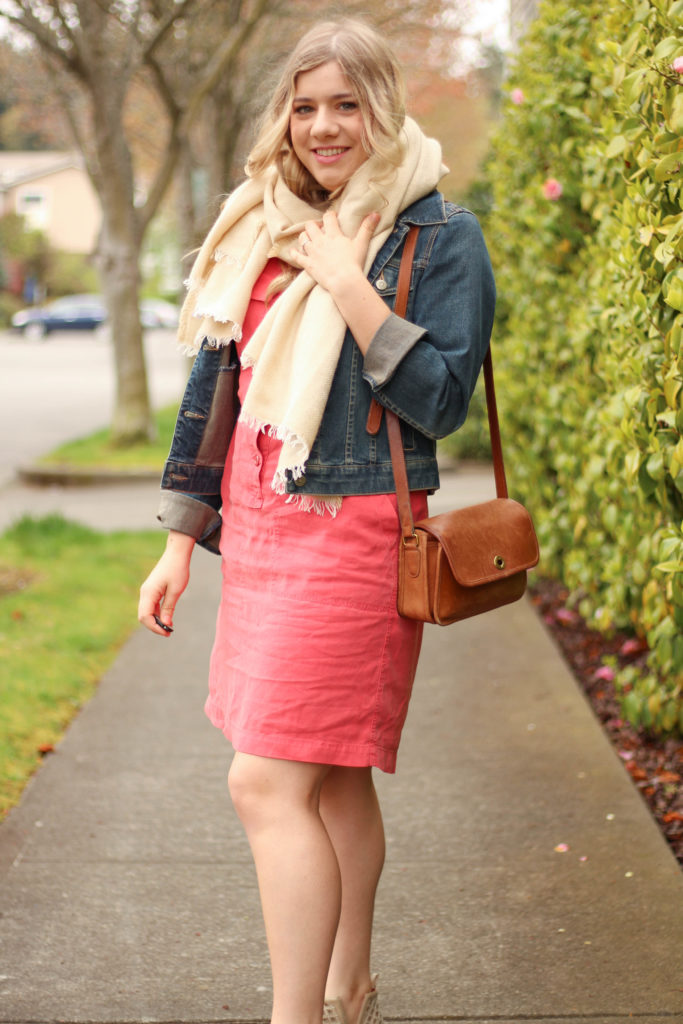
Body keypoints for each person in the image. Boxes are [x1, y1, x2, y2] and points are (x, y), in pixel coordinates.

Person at [139, 18, 495, 1024]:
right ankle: (350, 983)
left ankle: (293, 1015)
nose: (324, 127)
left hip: (353, 528)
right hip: (259, 528)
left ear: (384, 109)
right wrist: (177, 544)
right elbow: (216, 387)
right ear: (282, 118)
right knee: (329, 778)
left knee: (262, 782)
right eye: (305, 106)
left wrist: (348, 283)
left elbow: (440, 399)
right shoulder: (258, 222)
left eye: (346, 104)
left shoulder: (436, 235)